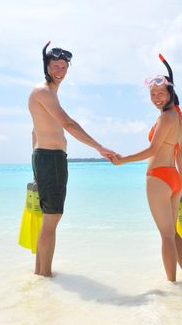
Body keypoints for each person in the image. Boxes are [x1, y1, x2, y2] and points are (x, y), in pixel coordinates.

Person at [29, 41, 115, 277]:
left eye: (64, 67)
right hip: (51, 159)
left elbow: (34, 132)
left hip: (46, 159)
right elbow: (68, 124)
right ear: (46, 66)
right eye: (55, 66)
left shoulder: (48, 93)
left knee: (49, 219)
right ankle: (45, 276)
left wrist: (35, 168)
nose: (59, 71)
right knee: (52, 219)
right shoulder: (43, 92)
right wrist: (99, 147)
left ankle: (41, 275)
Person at [110, 54, 182, 281]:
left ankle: (172, 287)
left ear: (170, 94)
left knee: (166, 236)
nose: (156, 98)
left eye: (160, 93)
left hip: (158, 178)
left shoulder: (166, 118)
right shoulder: (178, 117)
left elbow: (153, 150)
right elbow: (180, 152)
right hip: (173, 178)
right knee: (172, 233)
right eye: (152, 94)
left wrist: (122, 160)